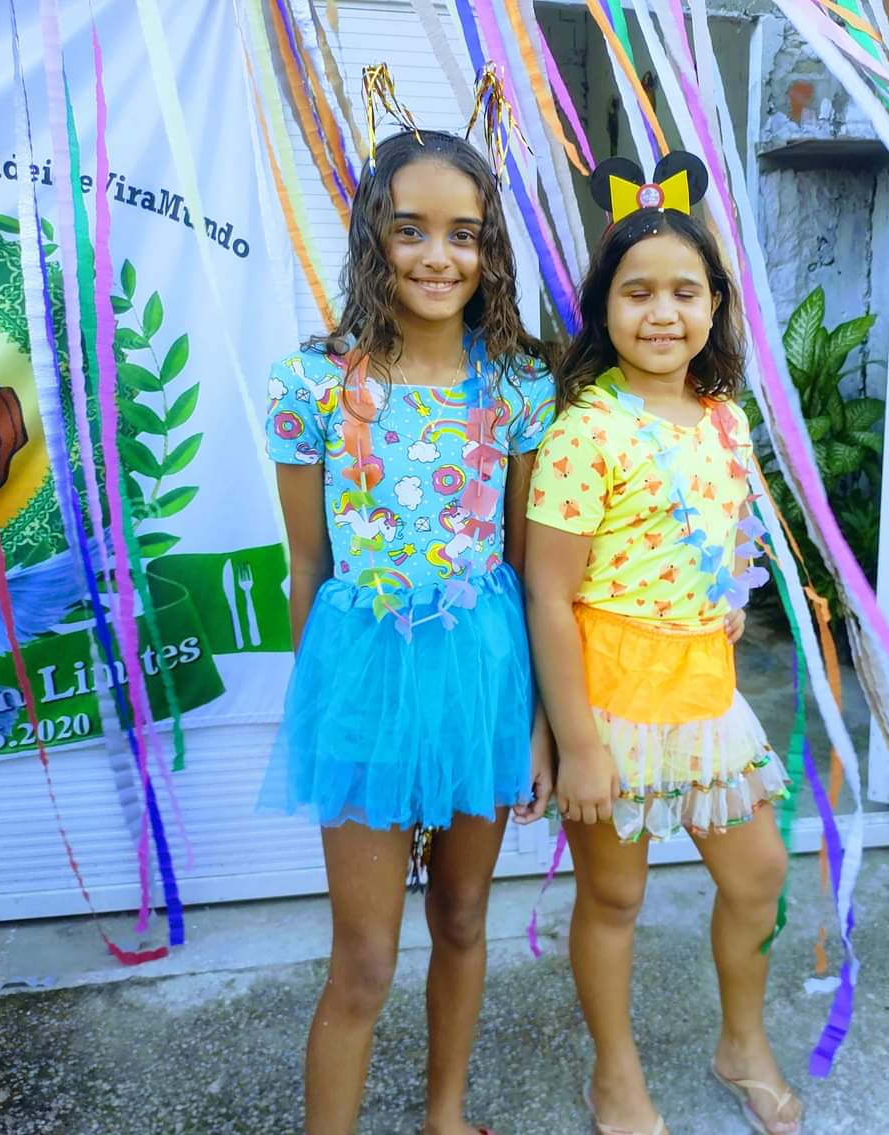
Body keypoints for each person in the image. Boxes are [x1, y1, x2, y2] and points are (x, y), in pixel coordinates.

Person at [260, 69, 555, 1135]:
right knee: (365, 957)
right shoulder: (312, 385)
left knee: (464, 915)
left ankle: (444, 1116)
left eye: (464, 234)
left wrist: (538, 725)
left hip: (484, 677)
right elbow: (307, 567)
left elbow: (527, 563)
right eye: (411, 230)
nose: (439, 256)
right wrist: (323, 709)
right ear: (372, 239)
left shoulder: (518, 387)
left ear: (490, 251)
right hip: (364, 680)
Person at [525, 154, 801, 1135]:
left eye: (686, 291)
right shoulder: (584, 432)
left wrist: (719, 598)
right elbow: (548, 593)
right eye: (637, 292)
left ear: (716, 304)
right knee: (614, 897)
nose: (662, 313)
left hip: (706, 696)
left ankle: (743, 1044)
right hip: (611, 703)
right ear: (603, 308)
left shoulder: (725, 420)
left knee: (759, 874)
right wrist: (577, 743)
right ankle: (616, 1074)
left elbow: (720, 535)